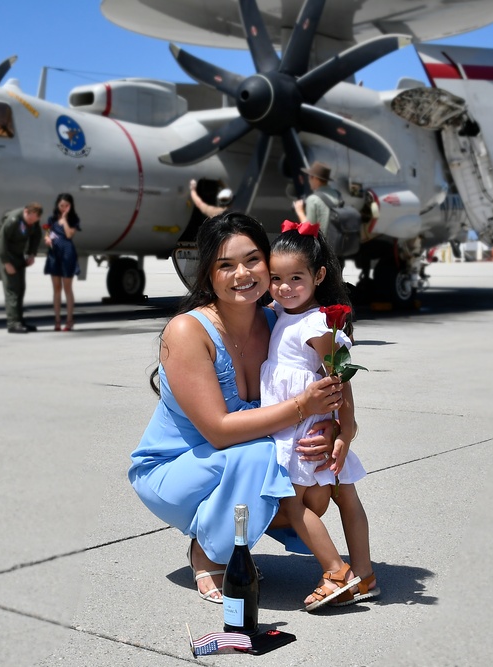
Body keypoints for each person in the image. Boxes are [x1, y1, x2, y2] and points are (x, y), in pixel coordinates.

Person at [128, 212, 360, 610]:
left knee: (315, 491)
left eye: (252, 260)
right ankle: (209, 552)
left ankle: (233, 533)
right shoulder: (188, 331)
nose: (242, 274)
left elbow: (329, 381)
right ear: (206, 274)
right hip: (176, 469)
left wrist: (330, 430)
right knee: (264, 456)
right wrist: (302, 407)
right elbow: (219, 431)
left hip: (245, 459)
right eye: (225, 265)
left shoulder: (276, 322)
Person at [260, 220, 379, 606]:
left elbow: (339, 378)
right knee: (347, 497)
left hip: (305, 430)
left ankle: (336, 571)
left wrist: (344, 432)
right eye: (276, 277)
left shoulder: (314, 323)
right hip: (307, 422)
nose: (284, 287)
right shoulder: (284, 313)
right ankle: (364, 574)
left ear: (319, 275)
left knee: (293, 502)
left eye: (296, 277)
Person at [0, 203, 43, 333]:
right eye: (31, 220)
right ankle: (12, 323)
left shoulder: (33, 220)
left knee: (21, 287)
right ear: (26, 212)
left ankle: (19, 321)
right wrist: (6, 263)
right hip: (7, 255)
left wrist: (32, 253)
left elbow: (36, 235)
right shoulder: (13, 220)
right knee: (12, 289)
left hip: (18, 255)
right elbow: (0, 241)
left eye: (35, 221)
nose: (32, 222)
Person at [43, 193, 81, 331]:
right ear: (57, 205)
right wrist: (47, 239)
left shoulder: (73, 219)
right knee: (56, 289)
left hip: (67, 254)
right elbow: (47, 234)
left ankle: (69, 320)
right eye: (61, 205)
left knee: (67, 288)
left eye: (66, 205)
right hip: (54, 254)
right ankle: (57, 320)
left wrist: (64, 219)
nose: (63, 208)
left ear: (70, 206)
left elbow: (70, 234)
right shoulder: (51, 219)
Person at [292, 161, 341, 238]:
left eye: (309, 177)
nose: (309, 180)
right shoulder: (337, 194)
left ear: (314, 178)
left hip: (322, 247)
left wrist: (300, 211)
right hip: (336, 244)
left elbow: (308, 229)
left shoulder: (313, 199)